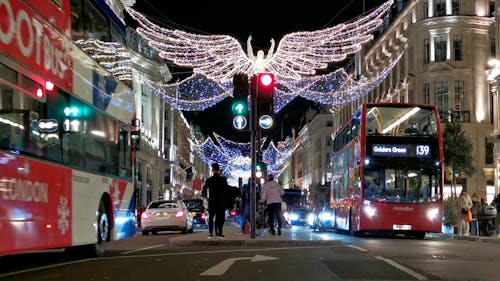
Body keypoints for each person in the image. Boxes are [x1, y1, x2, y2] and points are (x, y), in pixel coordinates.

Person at [201, 163, 228, 239]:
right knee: (220, 217)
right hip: (220, 201)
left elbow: (204, 191)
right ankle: (219, 232)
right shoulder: (223, 180)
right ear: (218, 170)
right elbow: (227, 191)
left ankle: (210, 233)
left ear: (212, 170)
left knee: (211, 217)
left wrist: (207, 197)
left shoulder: (209, 180)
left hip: (212, 201)